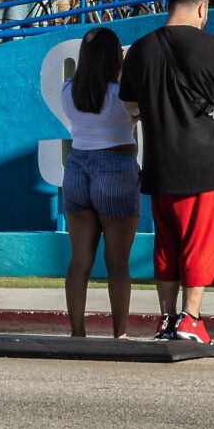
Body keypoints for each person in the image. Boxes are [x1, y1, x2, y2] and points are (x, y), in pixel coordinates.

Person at [118, 0, 214, 344]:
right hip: (206, 165)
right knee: (199, 242)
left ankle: (166, 319)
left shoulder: (141, 49)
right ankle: (191, 319)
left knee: (167, 244)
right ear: (202, 9)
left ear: (170, 6)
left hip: (160, 162)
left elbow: (130, 106)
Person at [58, 26, 140, 339]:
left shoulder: (69, 91)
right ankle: (119, 334)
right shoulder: (122, 94)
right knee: (117, 262)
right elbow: (139, 111)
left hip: (77, 167)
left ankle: (77, 331)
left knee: (79, 261)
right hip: (116, 167)